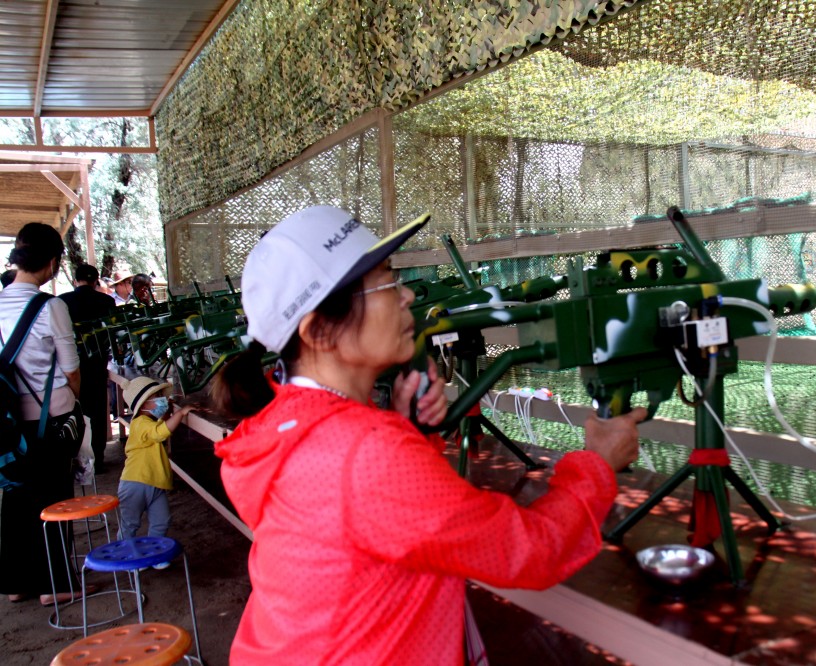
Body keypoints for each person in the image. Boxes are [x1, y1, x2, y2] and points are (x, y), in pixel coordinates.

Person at [211, 206, 644, 665]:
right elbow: (527, 551)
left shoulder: (286, 426)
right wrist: (597, 464)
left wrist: (407, 430)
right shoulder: (365, 451)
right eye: (386, 282)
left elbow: (362, 525)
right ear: (319, 331)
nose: (407, 294)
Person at [0, 223, 82, 606]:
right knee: (53, 499)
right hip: (51, 419)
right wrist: (73, 407)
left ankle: (17, 584)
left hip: (7, 422)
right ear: (52, 262)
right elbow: (70, 369)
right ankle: (55, 585)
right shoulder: (52, 307)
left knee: (16, 500)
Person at [118, 376, 193, 551]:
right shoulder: (139, 424)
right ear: (144, 405)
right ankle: (125, 554)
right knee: (130, 524)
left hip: (155, 483)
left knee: (162, 520)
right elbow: (160, 433)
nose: (162, 400)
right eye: (158, 397)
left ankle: (154, 552)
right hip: (135, 482)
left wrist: (167, 411)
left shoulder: (149, 421)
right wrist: (180, 414)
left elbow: (159, 426)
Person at [59, 263, 117, 472]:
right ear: (95, 281)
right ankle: (98, 459)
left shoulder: (62, 302)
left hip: (70, 368)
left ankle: (78, 461)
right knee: (98, 413)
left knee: (74, 412)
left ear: (75, 280)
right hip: (97, 365)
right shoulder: (107, 301)